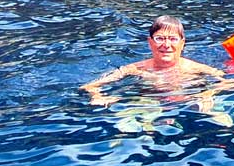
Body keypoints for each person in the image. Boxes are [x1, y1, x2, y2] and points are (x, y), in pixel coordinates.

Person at [83, 15, 224, 104]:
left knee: (219, 117)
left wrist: (208, 93)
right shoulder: (135, 69)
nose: (166, 45)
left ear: (182, 43)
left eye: (173, 39)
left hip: (189, 102)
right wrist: (97, 96)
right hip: (148, 102)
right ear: (150, 42)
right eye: (159, 38)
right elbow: (89, 86)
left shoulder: (195, 68)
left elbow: (231, 82)